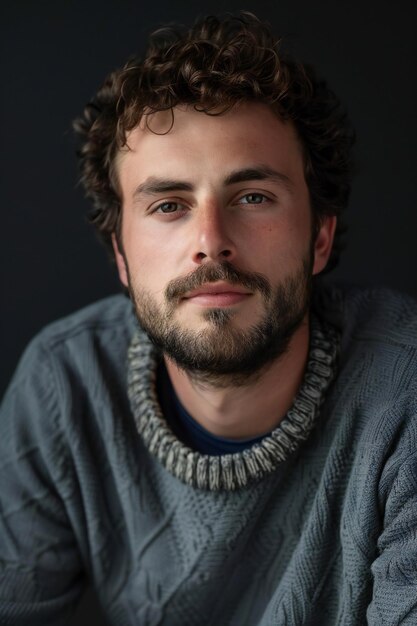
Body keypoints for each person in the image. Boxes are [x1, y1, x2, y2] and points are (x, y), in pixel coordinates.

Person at [1, 11, 416, 626]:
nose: (210, 242)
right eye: (169, 205)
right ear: (121, 254)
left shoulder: (404, 393)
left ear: (320, 238)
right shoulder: (63, 385)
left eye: (252, 197)